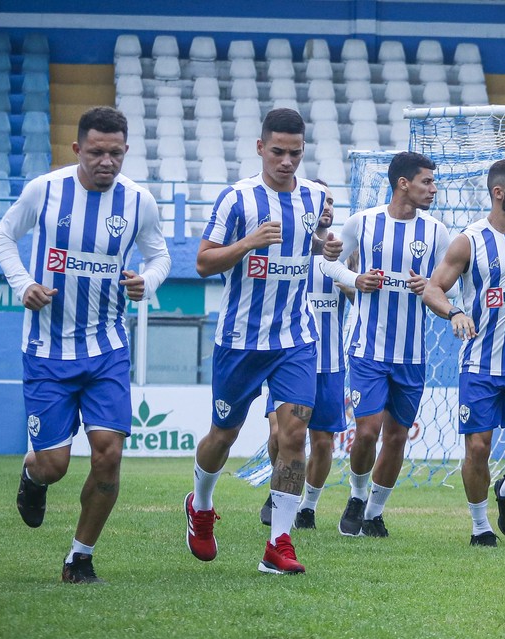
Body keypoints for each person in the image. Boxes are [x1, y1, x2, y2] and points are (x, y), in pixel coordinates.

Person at [0, 106, 171, 584]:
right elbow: (3, 235)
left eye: (115, 153)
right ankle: (33, 477)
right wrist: (22, 283)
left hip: (107, 346)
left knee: (108, 453)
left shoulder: (139, 202)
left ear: (126, 151)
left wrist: (146, 282)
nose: (106, 161)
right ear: (77, 150)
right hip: (47, 349)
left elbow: (160, 255)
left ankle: (80, 556)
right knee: (54, 465)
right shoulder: (45, 190)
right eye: (96, 152)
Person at [184, 108, 339, 575]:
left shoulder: (316, 197)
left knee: (294, 435)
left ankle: (279, 543)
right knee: (223, 435)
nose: (287, 161)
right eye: (278, 152)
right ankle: (202, 504)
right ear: (260, 148)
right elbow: (204, 263)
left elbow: (307, 243)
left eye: (295, 153)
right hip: (241, 341)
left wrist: (323, 247)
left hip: (296, 337)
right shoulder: (237, 200)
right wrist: (248, 242)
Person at [423, 159, 505, 547]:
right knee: (477, 447)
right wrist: (456, 311)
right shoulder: (470, 240)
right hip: (480, 364)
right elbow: (432, 288)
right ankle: (480, 527)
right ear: (499, 193)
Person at [320, 151, 450, 538]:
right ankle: (358, 495)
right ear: (403, 184)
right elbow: (330, 264)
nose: (433, 188)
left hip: (411, 354)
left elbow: (445, 281)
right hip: (367, 350)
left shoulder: (436, 231)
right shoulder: (364, 222)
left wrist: (430, 286)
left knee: (396, 436)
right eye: (427, 181)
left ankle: (375, 512)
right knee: (368, 431)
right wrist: (355, 279)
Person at [259, 180, 355, 530]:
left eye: (331, 202)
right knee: (278, 434)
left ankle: (308, 507)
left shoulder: (345, 253)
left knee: (323, 442)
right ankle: (279, 488)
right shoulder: (287, 247)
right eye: (321, 201)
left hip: (329, 363)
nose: (327, 207)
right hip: (287, 358)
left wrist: (350, 282)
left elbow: (363, 304)